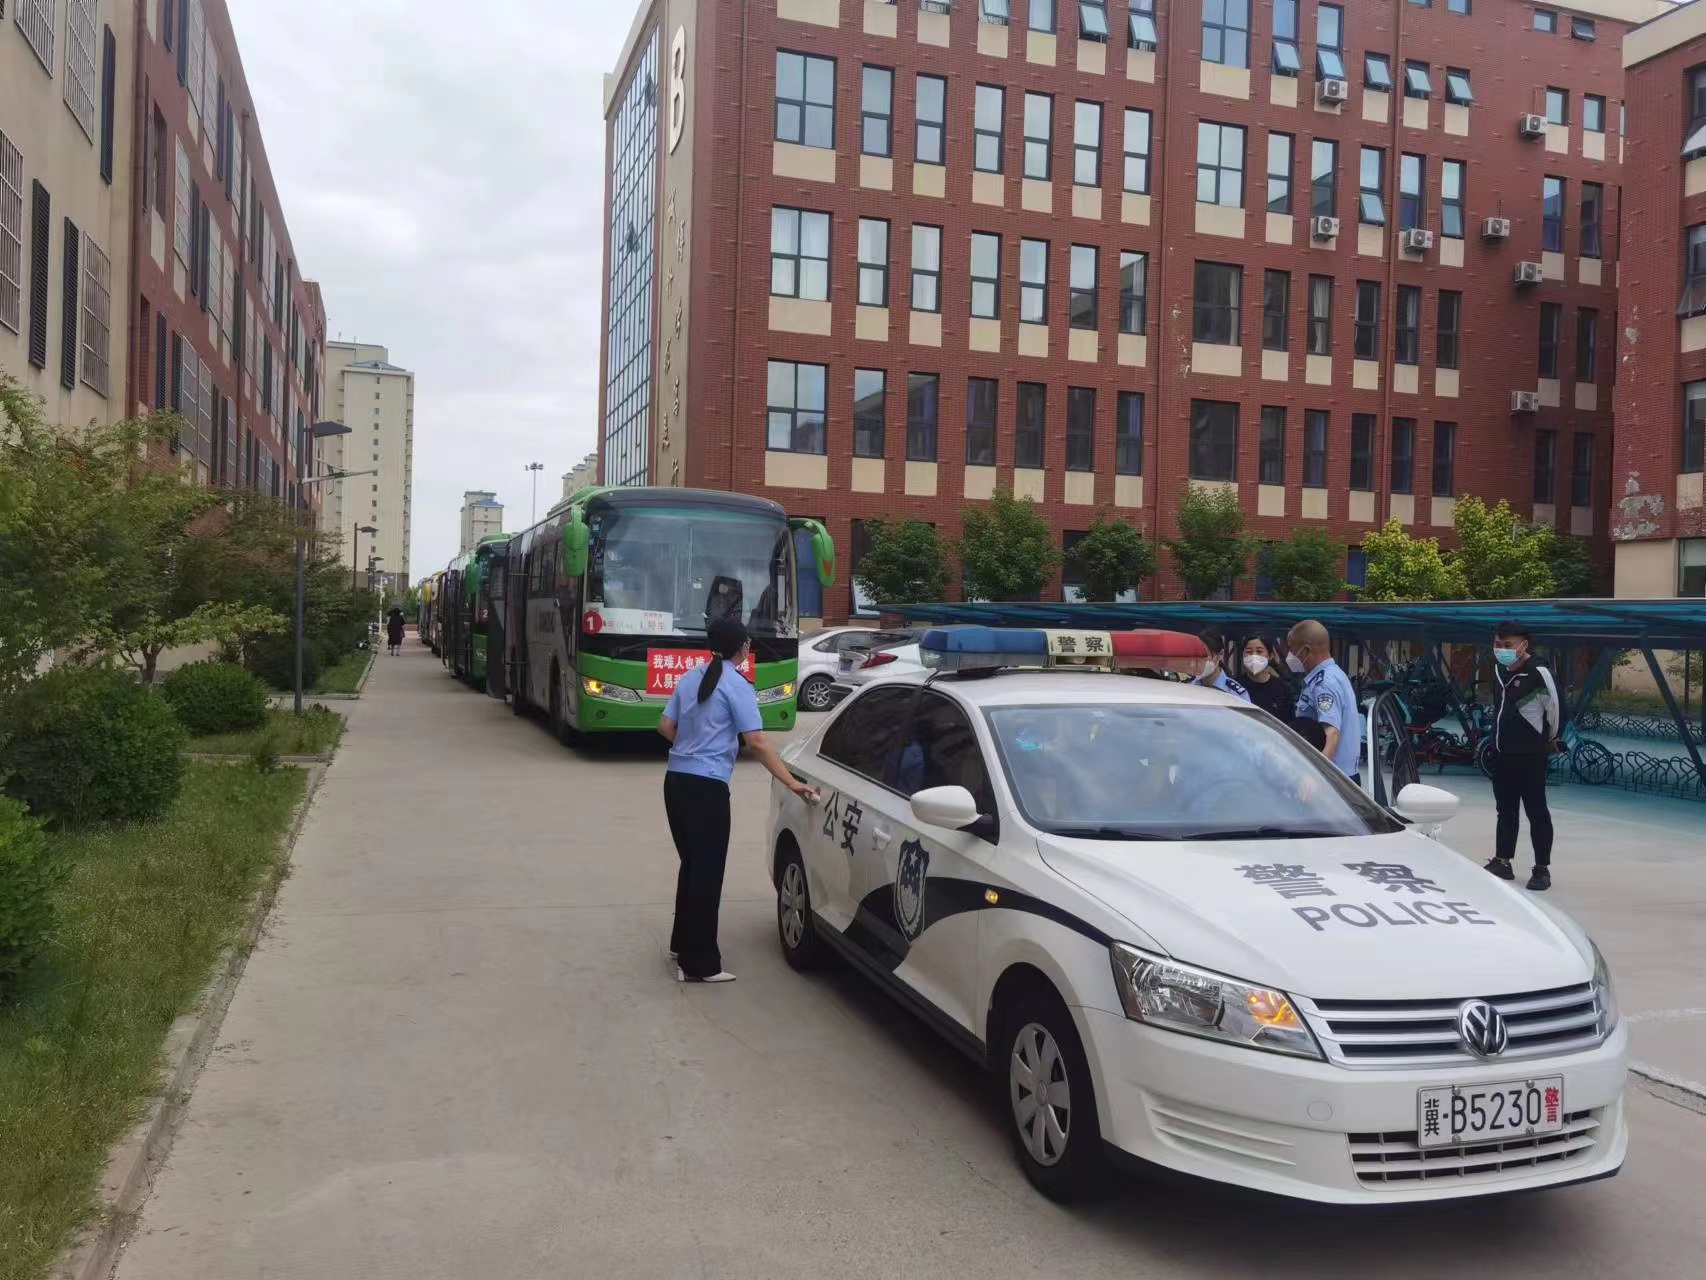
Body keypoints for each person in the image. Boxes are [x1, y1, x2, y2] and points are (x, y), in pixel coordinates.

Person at [658, 617, 818, 982]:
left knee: (693, 866)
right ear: (742, 648)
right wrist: (793, 784)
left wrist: (692, 749)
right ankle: (697, 964)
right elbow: (758, 742)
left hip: (676, 782)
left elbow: (665, 728)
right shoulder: (737, 685)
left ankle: (682, 946)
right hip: (707, 789)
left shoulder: (689, 677)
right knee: (706, 872)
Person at [1483, 621, 1561, 891]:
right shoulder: (1499, 671)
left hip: (1530, 757)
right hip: (1502, 755)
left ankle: (1542, 869)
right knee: (1505, 811)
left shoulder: (1539, 673)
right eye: (1497, 644)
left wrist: (1548, 742)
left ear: (1523, 645)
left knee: (1537, 812)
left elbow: (1556, 712)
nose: (1501, 650)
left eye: (1507, 645)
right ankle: (1502, 861)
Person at [1285, 619, 1362, 782]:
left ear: (1305, 650)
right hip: (1342, 776)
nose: (1289, 656)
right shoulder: (1335, 674)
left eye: (1292, 650)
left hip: (1333, 779)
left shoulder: (1324, 683)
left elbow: (1331, 733)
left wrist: (1315, 777)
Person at [1240, 635, 1294, 726]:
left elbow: (1289, 724)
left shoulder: (1283, 689)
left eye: (1259, 651)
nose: (1254, 656)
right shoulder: (1235, 686)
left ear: (1270, 656)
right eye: (1249, 652)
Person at [1192, 628, 1251, 702]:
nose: (1199, 660)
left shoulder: (1235, 694)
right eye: (1196, 655)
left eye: (1205, 655)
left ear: (1220, 654)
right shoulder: (1187, 687)